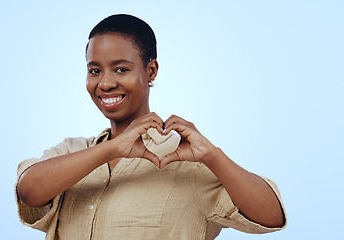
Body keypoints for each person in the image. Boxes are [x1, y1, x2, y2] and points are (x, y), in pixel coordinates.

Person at [15, 14, 286, 240]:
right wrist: (109, 150)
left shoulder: (186, 158)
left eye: (121, 69)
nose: (105, 83)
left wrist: (213, 156)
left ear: (151, 71)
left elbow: (271, 217)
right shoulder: (73, 151)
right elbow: (28, 191)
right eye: (94, 70)